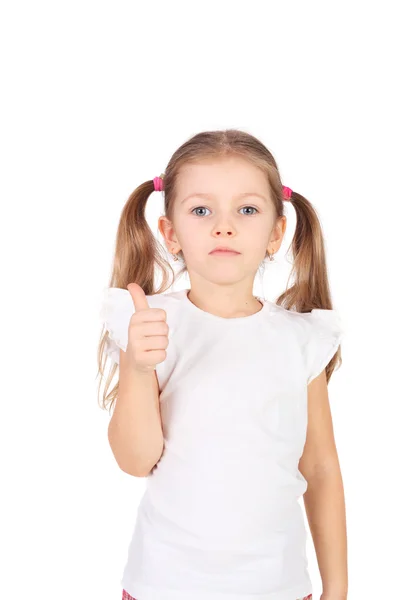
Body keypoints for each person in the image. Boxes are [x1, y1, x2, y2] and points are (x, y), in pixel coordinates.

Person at [97, 129, 348, 600]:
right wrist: (136, 368)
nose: (224, 226)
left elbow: (320, 467)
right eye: (201, 210)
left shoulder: (301, 339)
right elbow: (135, 461)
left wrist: (337, 589)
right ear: (170, 232)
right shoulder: (148, 323)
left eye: (247, 210)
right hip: (163, 587)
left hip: (277, 588)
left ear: (276, 233)